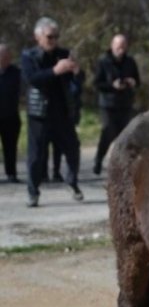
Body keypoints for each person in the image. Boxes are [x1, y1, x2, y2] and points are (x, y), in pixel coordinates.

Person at [21, 17, 84, 207]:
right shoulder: (29, 56)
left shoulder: (63, 54)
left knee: (73, 149)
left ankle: (71, 182)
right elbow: (33, 79)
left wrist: (77, 73)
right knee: (36, 156)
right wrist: (55, 71)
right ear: (38, 37)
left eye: (56, 36)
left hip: (62, 112)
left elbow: (76, 83)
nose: (53, 40)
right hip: (39, 114)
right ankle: (33, 192)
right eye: (49, 36)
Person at [93, 33, 140, 175]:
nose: (121, 49)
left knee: (124, 135)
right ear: (112, 46)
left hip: (125, 103)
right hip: (108, 104)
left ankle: (122, 165)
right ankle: (99, 159)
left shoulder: (130, 62)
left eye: (124, 46)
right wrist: (112, 86)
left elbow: (138, 81)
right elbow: (97, 83)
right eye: (119, 46)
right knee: (108, 131)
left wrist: (132, 82)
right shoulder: (103, 61)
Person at [0, 44, 21, 183]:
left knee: (10, 146)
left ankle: (11, 173)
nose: (5, 58)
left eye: (7, 55)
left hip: (11, 116)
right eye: (3, 55)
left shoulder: (16, 72)